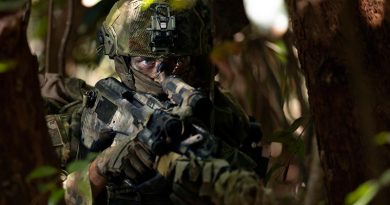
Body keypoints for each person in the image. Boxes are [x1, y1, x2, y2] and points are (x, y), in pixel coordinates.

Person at [41, 0, 269, 204]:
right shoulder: (76, 125)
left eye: (176, 62)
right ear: (123, 64)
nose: (162, 74)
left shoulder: (220, 114)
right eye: (146, 62)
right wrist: (99, 169)